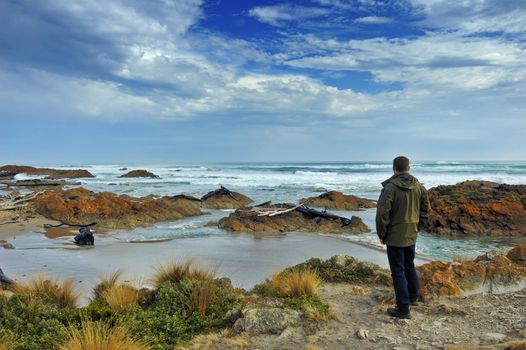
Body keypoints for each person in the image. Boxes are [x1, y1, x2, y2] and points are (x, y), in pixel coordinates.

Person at [375, 156, 430, 319]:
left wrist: (382, 234)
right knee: (409, 265)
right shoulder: (419, 186)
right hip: (411, 233)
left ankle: (403, 309)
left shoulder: (390, 188)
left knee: (398, 271)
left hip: (395, 236)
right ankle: (413, 297)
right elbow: (426, 209)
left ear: (394, 168)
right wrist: (418, 227)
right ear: (409, 167)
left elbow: (381, 214)